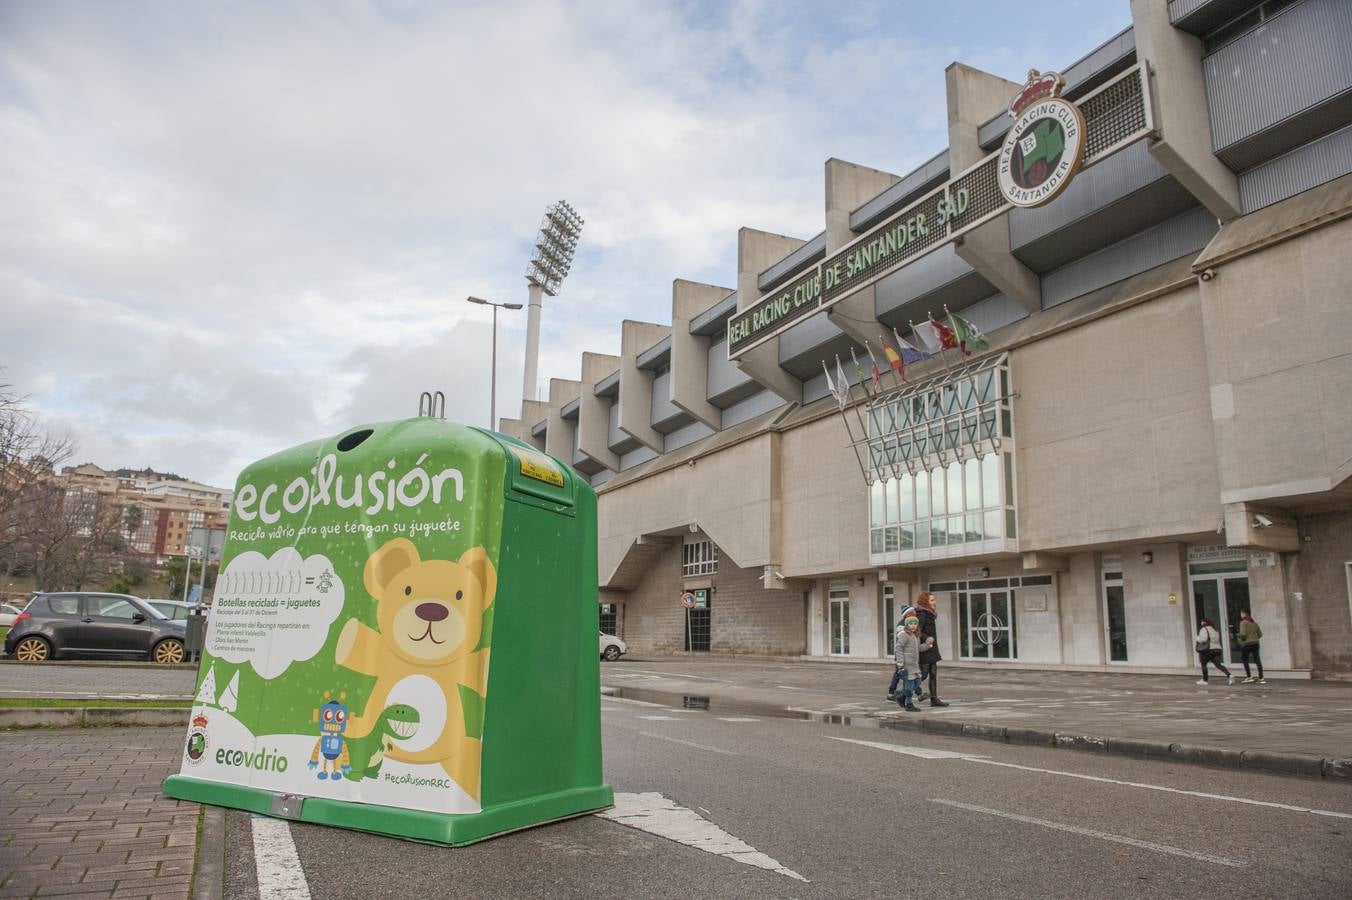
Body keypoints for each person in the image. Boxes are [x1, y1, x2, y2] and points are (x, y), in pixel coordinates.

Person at [914, 592, 948, 707]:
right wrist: (926, 638)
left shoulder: (930, 614)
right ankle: (903, 694)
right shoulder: (922, 613)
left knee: (933, 673)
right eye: (932, 600)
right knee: (923, 674)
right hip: (925, 649)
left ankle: (934, 699)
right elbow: (917, 630)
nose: (935, 602)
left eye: (934, 600)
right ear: (925, 602)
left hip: (932, 648)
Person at [894, 614, 925, 712]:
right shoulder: (904, 635)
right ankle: (909, 704)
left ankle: (902, 696)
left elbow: (919, 648)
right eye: (911, 623)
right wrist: (900, 663)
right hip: (907, 665)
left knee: (918, 681)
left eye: (915, 623)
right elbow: (898, 648)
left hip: (914, 665)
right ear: (907, 625)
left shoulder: (915, 636)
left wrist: (928, 645)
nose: (913, 625)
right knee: (909, 684)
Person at [885, 606, 916, 701]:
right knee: (901, 674)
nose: (914, 614)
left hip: (907, 655)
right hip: (901, 655)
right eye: (912, 612)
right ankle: (892, 693)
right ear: (907, 614)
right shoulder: (902, 625)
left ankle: (900, 693)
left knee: (904, 674)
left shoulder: (909, 623)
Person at [1195, 617, 1234, 685]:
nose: (1201, 623)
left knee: (1203, 664)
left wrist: (1198, 638)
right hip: (1217, 649)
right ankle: (1229, 675)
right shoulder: (1215, 629)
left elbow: (1203, 639)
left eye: (1202, 622)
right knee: (1218, 665)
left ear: (1204, 622)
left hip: (1208, 649)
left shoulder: (1204, 629)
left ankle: (1205, 680)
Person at [1237, 610, 1266, 684]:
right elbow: (1260, 634)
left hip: (1247, 644)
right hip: (1255, 643)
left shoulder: (1243, 622)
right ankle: (1261, 677)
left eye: (1241, 614)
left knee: (1245, 659)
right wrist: (1254, 637)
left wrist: (1238, 635)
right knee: (1257, 660)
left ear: (1244, 615)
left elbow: (1243, 634)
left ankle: (1249, 676)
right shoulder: (1254, 623)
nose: (1241, 615)